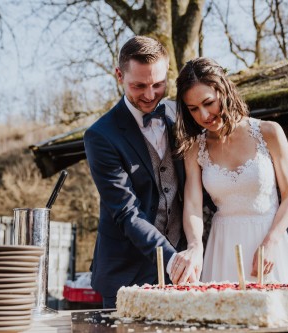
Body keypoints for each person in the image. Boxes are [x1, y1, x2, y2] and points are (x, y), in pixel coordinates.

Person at [170, 57, 288, 284]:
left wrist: (271, 242)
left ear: (224, 90)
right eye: (193, 109)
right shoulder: (194, 148)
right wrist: (194, 246)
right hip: (223, 245)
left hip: (268, 243)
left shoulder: (269, 132)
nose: (203, 116)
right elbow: (192, 204)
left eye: (208, 102)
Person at [84, 36, 188, 309]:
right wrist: (171, 258)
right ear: (120, 75)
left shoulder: (182, 117)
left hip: (184, 271)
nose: (150, 94)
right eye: (139, 85)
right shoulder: (100, 136)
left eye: (158, 84)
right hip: (125, 274)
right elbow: (126, 213)